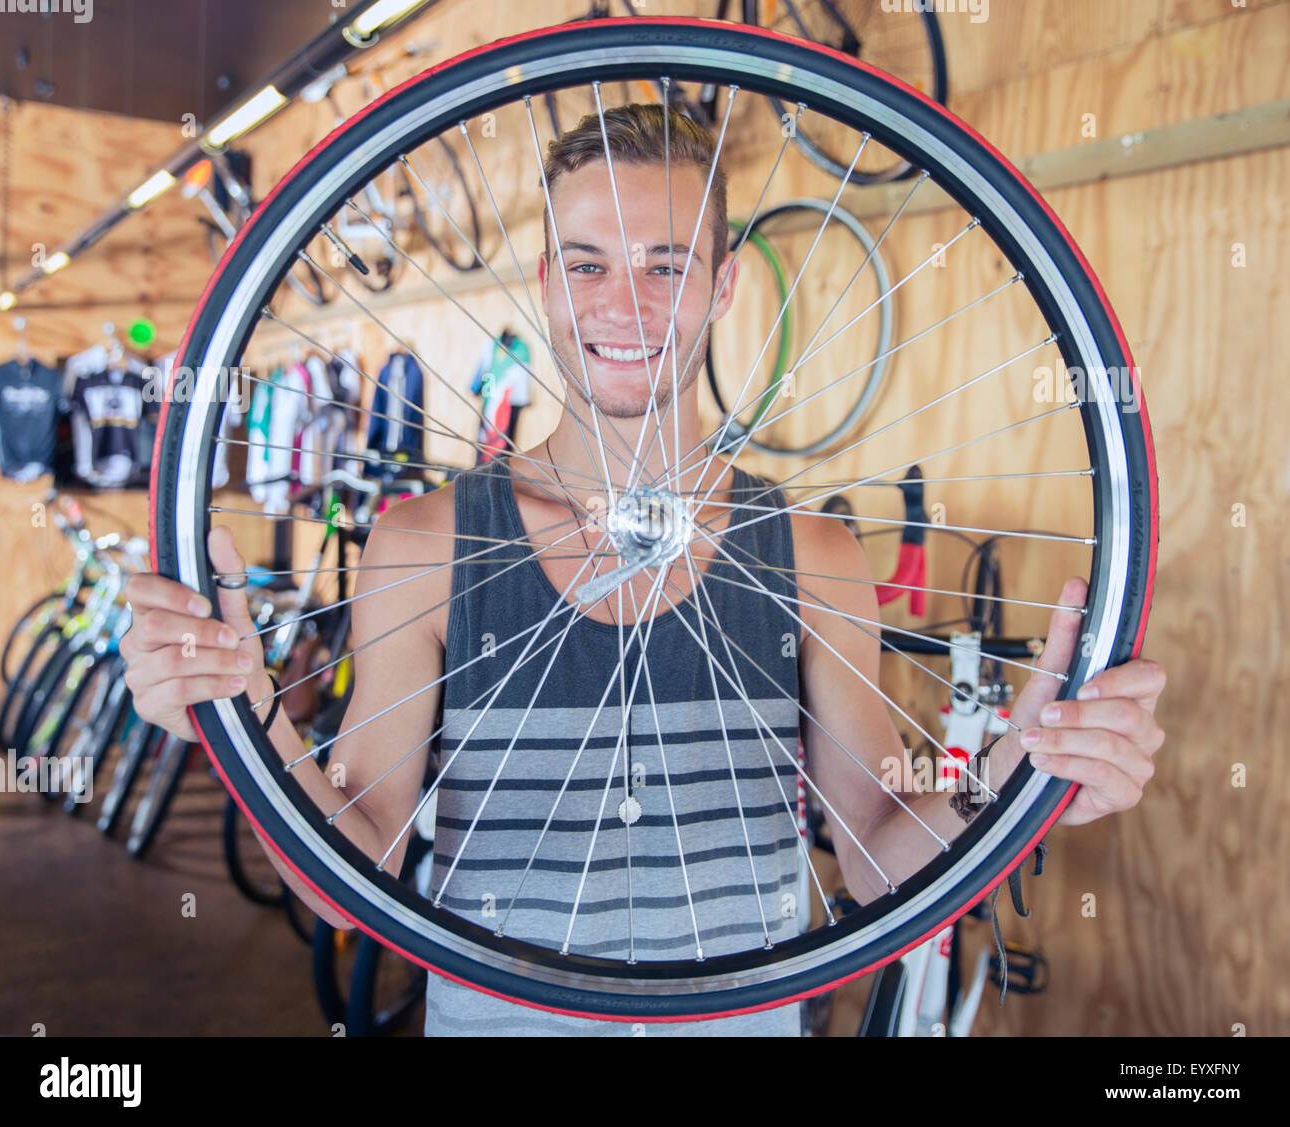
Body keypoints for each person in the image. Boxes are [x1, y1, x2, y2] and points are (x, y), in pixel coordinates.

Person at [120, 104, 1167, 1036]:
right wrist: (241, 701)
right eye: (587, 263)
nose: (625, 304)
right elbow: (358, 879)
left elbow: (877, 853)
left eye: (667, 263)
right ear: (543, 284)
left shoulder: (814, 555)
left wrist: (1015, 775)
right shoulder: (423, 545)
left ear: (723, 287)